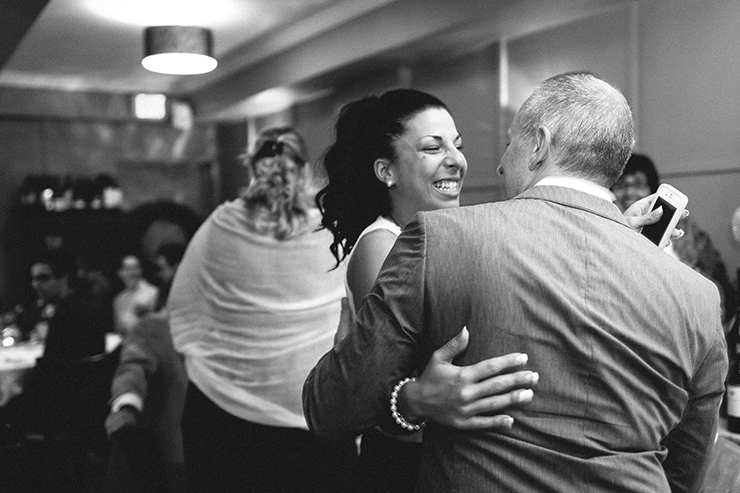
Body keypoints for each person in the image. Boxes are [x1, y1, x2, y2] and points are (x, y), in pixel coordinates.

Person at [304, 72, 728, 492]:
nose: (500, 163)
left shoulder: (443, 239)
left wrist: (400, 395)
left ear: (539, 144)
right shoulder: (699, 297)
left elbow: (333, 408)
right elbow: (687, 465)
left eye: (510, 143)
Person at [315, 88, 539, 492]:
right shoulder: (381, 246)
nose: (456, 160)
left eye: (458, 145)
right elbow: (390, 383)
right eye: (433, 148)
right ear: (387, 171)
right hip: (404, 465)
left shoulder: (437, 239)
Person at [167, 126, 359, 493]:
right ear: (304, 168)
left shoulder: (220, 226)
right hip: (317, 417)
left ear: (252, 168)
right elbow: (356, 305)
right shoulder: (333, 229)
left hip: (226, 414)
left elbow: (183, 309)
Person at [113, 255, 159, 335]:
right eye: (128, 269)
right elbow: (118, 330)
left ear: (141, 270)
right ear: (120, 273)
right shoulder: (118, 300)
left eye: (135, 268)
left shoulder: (153, 292)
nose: (132, 273)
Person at [152, 242, 186, 312]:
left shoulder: (190, 291)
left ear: (176, 267)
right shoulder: (163, 290)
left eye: (163, 268)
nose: (160, 274)